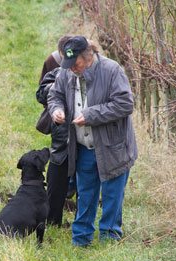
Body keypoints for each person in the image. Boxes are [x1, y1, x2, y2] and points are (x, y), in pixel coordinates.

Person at [47, 36, 138, 247]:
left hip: (113, 147)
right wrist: (57, 110)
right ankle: (81, 240)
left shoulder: (112, 70)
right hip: (83, 147)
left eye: (76, 64)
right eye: (68, 65)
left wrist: (91, 115)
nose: (71, 70)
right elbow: (55, 95)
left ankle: (109, 239)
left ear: (88, 57)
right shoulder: (66, 72)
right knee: (86, 194)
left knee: (112, 196)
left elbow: (125, 104)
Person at [36, 35, 77, 227]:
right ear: (61, 55)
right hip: (61, 135)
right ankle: (53, 220)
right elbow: (41, 93)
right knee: (56, 177)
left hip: (85, 134)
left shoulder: (92, 73)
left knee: (83, 177)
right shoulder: (55, 71)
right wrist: (54, 89)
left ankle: (81, 220)